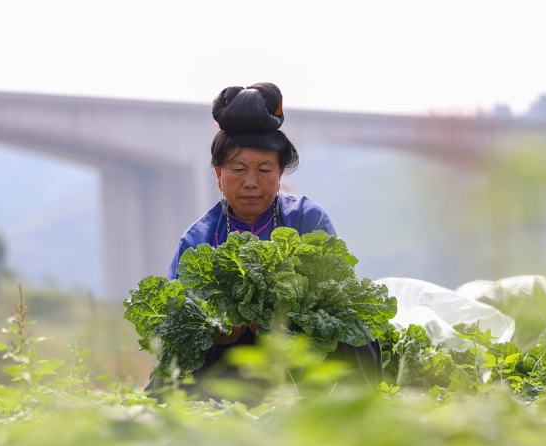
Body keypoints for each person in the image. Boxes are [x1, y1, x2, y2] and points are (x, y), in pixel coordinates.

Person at [146, 82, 382, 397]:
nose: (250, 182)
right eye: (238, 168)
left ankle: (350, 412)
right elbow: (175, 319)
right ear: (219, 174)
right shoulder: (198, 238)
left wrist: (280, 317)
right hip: (230, 362)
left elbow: (335, 295)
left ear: (280, 173)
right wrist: (219, 331)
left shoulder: (306, 219)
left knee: (356, 331)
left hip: (302, 351)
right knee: (173, 362)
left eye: (264, 169)